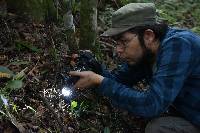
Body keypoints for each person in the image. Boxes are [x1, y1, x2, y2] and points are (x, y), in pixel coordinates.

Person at [69, 3, 200, 133]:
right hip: (188, 115)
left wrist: (100, 81)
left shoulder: (179, 45)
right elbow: (118, 81)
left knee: (157, 128)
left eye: (124, 42)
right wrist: (94, 67)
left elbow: (152, 104)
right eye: (117, 43)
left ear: (148, 35)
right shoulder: (147, 52)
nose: (118, 50)